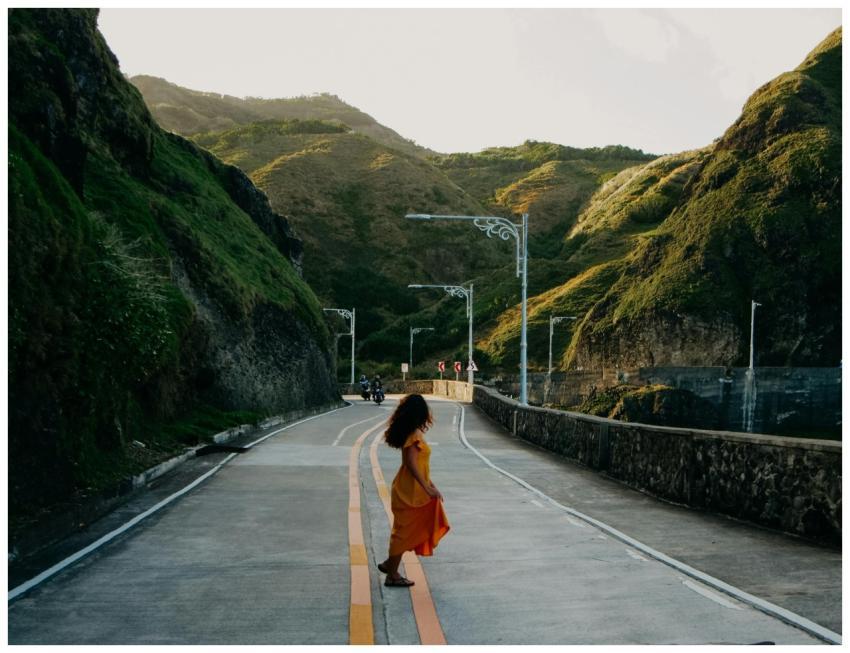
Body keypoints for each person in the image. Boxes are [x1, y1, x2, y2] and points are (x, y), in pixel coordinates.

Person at [377, 394, 450, 587]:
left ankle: (390, 564)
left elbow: (419, 465)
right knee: (403, 532)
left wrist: (430, 485)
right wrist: (426, 487)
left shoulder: (413, 432)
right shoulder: (415, 435)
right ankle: (392, 575)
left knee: (406, 529)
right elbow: (410, 463)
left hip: (412, 489)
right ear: (421, 412)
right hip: (409, 491)